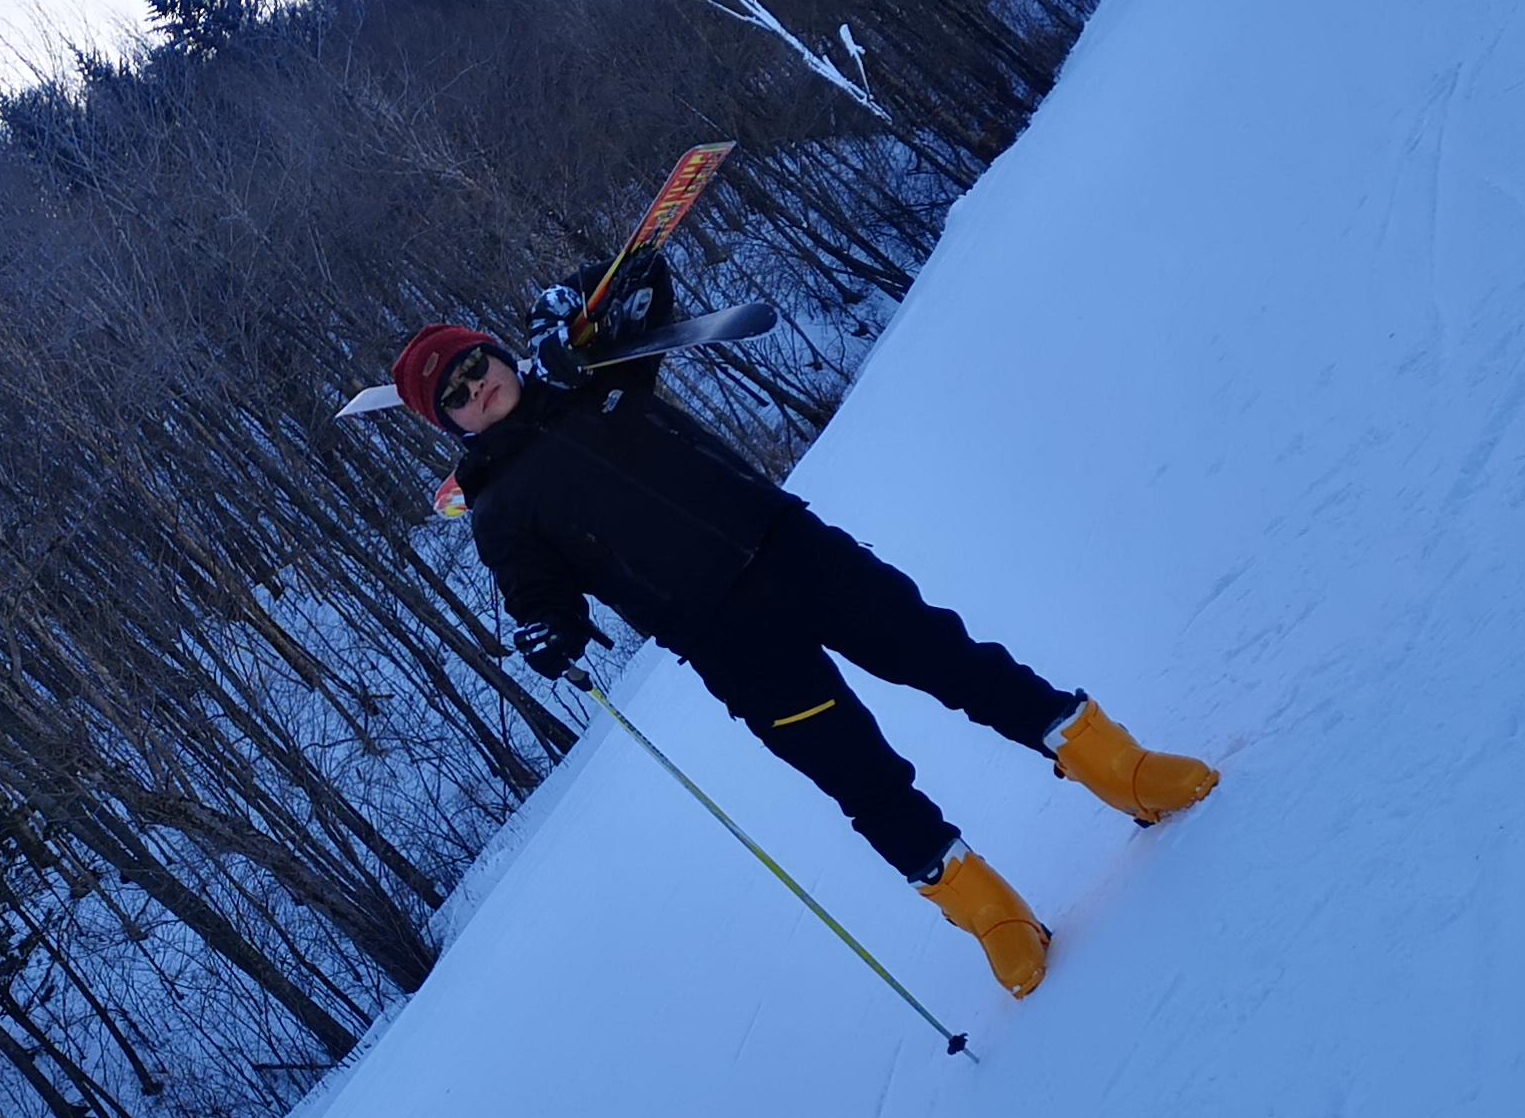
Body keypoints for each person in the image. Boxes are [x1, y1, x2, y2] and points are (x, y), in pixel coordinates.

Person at [388, 283, 1217, 996]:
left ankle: (1122, 769)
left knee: (949, 660)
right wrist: (548, 635)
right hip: (722, 638)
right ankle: (991, 913)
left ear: (500, 354)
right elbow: (542, 598)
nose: (477, 388)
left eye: (477, 365)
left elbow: (647, 282)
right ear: (449, 424)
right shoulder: (496, 511)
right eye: (456, 395)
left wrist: (566, 310)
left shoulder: (592, 368)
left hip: (791, 550)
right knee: (858, 774)